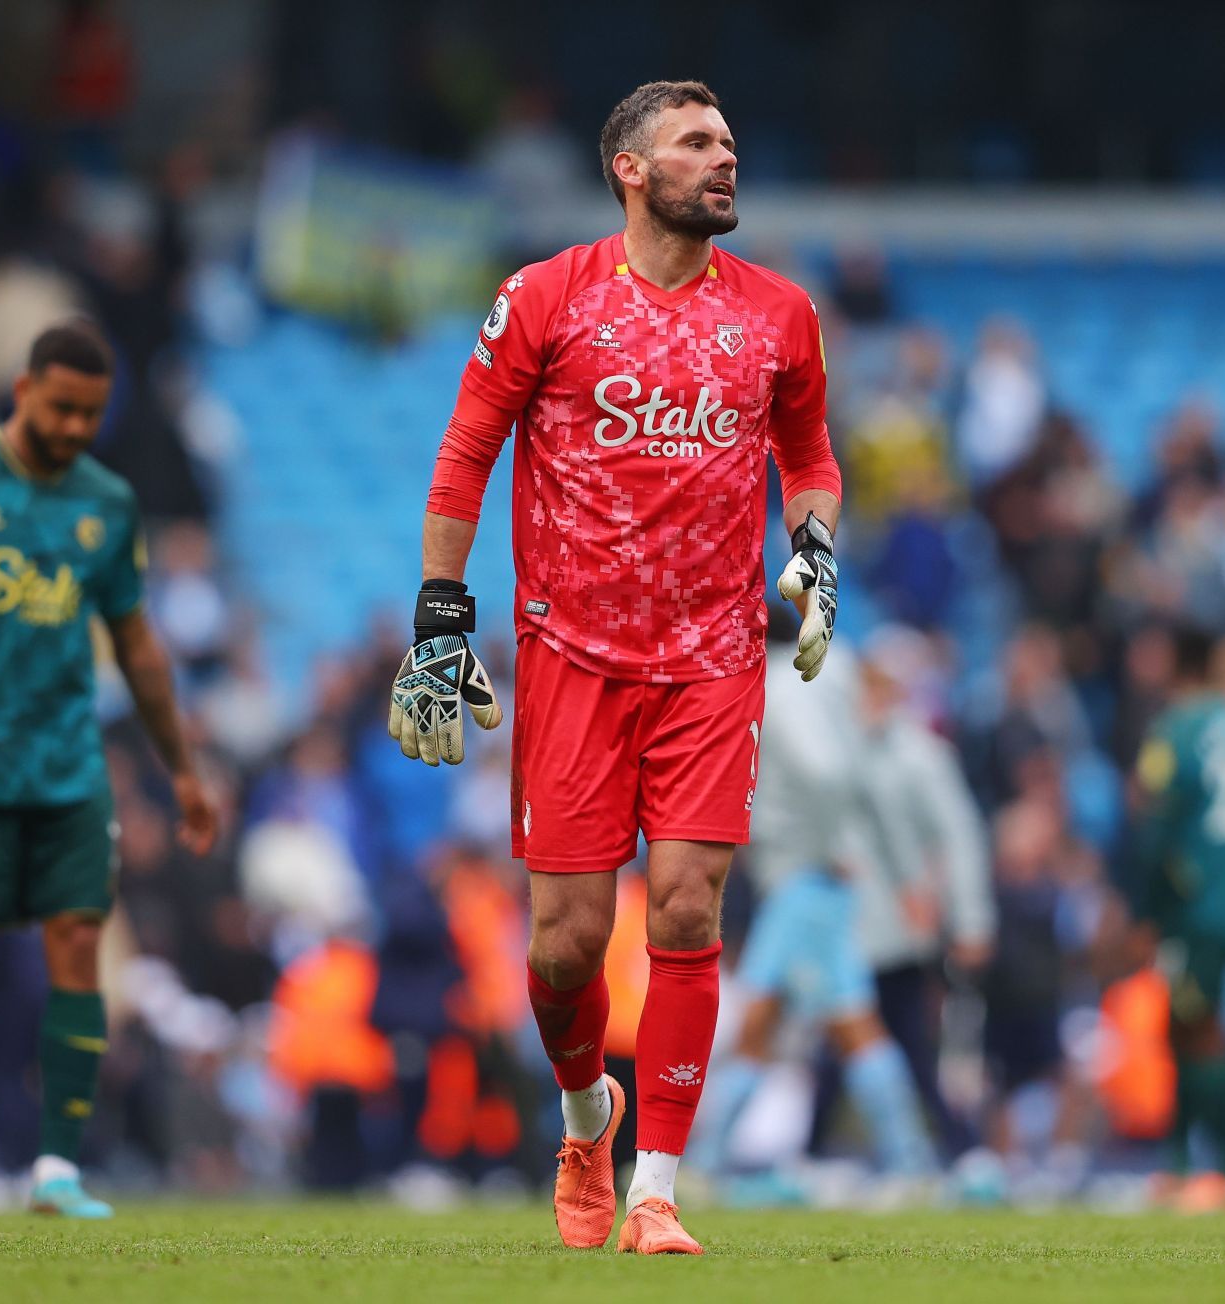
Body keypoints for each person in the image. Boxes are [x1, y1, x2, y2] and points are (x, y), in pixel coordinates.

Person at [388, 80, 842, 1255]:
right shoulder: (545, 297)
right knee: (565, 949)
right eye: (697, 143)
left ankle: (657, 1188)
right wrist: (443, 613)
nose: (723, 159)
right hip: (570, 656)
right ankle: (588, 1110)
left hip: (711, 655)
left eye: (731, 142)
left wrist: (818, 552)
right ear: (630, 170)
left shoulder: (782, 313)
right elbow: (463, 457)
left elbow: (809, 454)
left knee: (689, 905)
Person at [0, 320, 216, 1217]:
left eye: (92, 414)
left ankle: (56, 1170)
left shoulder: (106, 502)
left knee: (78, 949)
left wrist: (180, 768)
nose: (75, 428)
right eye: (62, 408)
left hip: (68, 767)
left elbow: (137, 646)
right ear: (24, 391)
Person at [688, 628, 964, 1197]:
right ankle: (910, 1160)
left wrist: (830, 843)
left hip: (803, 876)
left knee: (771, 1019)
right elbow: (850, 770)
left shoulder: (786, 685)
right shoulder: (830, 677)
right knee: (843, 1020)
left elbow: (824, 773)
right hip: (811, 878)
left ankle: (704, 1163)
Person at [1124, 629, 1225, 1209]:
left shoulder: (1177, 728)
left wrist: (1144, 911)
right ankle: (1180, 1164)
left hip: (1189, 900)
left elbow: (1153, 819)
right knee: (1182, 1027)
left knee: (1200, 1028)